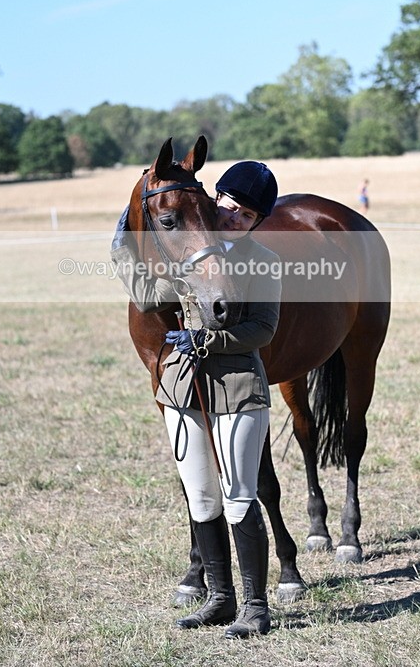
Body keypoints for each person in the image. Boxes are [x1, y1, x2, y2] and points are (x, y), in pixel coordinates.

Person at [111, 161, 281, 639]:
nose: (235, 218)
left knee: (239, 497)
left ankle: (256, 607)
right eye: (230, 207)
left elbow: (263, 330)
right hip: (183, 388)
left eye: (247, 215)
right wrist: (122, 240)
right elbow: (146, 297)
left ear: (256, 223)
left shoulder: (264, 261)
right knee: (202, 498)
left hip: (238, 388)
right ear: (214, 201)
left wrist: (207, 341)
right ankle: (220, 599)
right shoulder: (187, 257)